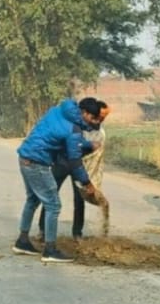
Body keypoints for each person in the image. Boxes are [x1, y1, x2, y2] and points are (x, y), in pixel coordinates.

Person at [12, 97, 101, 263]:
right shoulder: (74, 129)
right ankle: (50, 250)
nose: (93, 122)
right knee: (53, 205)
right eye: (92, 118)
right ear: (85, 113)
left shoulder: (60, 110)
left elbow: (67, 138)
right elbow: (75, 161)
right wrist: (87, 183)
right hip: (37, 162)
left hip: (25, 156)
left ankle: (22, 241)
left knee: (33, 200)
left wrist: (88, 145)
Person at [38, 101, 110, 239]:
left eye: (100, 118)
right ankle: (43, 230)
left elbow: (94, 156)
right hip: (63, 162)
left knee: (79, 199)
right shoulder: (74, 123)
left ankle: (77, 233)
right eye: (96, 117)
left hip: (79, 166)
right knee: (52, 194)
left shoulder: (100, 131)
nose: (98, 120)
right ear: (86, 114)